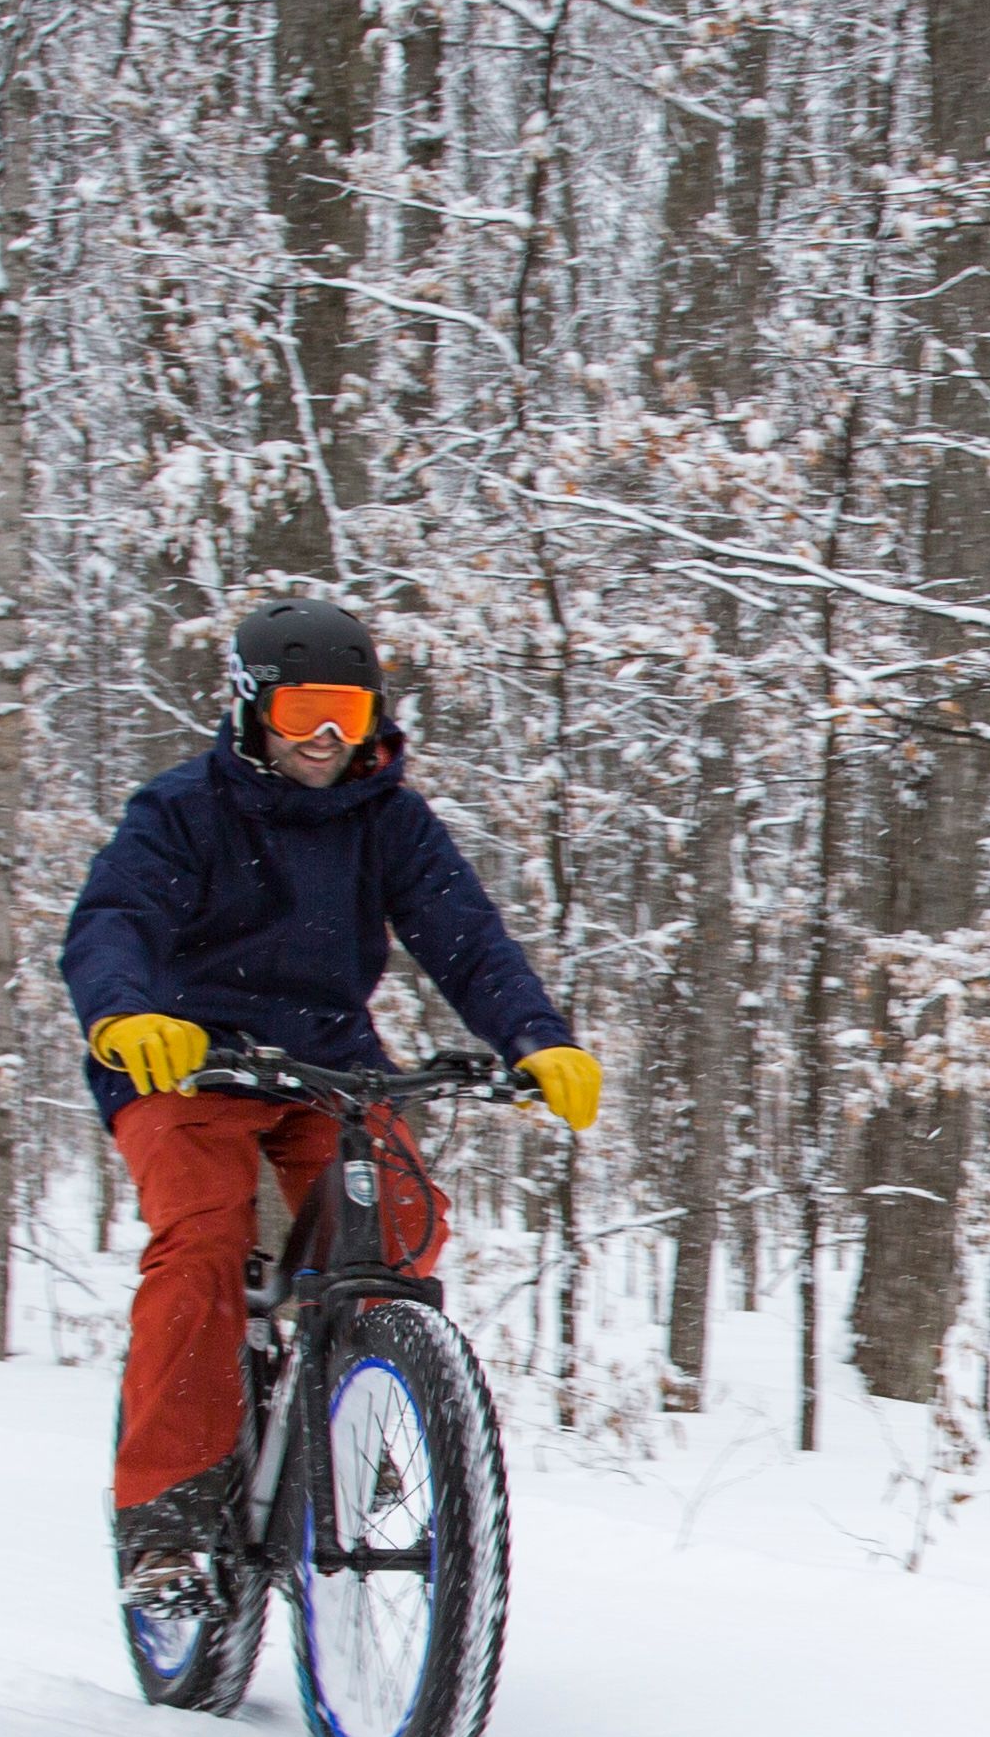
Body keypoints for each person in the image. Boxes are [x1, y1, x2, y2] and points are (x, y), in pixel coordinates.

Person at [58, 595, 604, 1598]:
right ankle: (169, 1513)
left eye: (346, 716)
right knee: (206, 1239)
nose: (323, 738)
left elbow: (467, 940)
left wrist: (537, 1039)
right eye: (304, 710)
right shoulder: (181, 811)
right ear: (250, 707)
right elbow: (113, 921)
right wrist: (124, 1014)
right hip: (184, 1063)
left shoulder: (389, 822)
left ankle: (345, 1396)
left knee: (402, 1220)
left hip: (325, 1065)